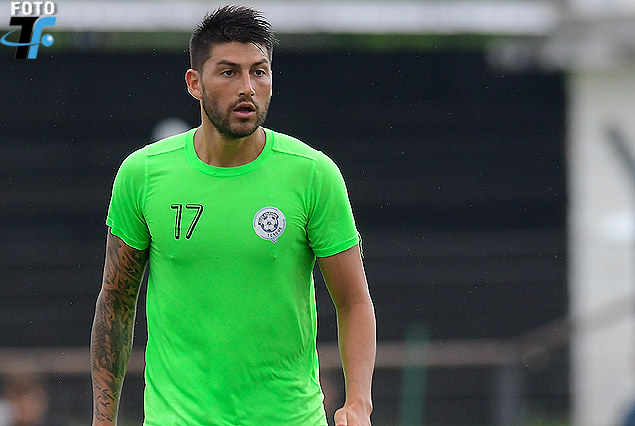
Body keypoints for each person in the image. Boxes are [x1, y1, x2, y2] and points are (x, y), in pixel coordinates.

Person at [90, 5, 376, 426]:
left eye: (259, 72)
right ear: (195, 83)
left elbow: (354, 301)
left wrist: (359, 401)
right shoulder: (143, 174)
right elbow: (115, 302)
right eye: (228, 72)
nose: (247, 88)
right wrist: (103, 419)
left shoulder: (313, 174)